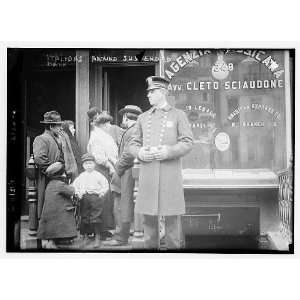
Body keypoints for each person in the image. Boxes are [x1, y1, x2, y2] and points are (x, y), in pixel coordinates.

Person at [129, 76, 194, 249]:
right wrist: (140, 152)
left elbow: (188, 142)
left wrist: (168, 151)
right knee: (149, 224)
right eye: (148, 91)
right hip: (148, 176)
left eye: (152, 91)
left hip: (169, 175)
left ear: (163, 92)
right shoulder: (142, 118)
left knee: (173, 225)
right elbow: (133, 144)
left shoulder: (178, 115)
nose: (148, 95)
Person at [104, 105, 143, 246]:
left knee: (121, 205)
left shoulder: (132, 131)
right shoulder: (134, 130)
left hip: (126, 172)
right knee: (123, 204)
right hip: (129, 171)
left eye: (123, 117)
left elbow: (128, 154)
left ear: (126, 117)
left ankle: (121, 237)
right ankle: (123, 235)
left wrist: (117, 169)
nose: (122, 119)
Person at [87, 111, 119, 238]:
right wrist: (110, 166)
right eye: (107, 124)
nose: (109, 126)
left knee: (107, 200)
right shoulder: (96, 137)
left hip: (107, 169)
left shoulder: (104, 135)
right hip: (101, 169)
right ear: (101, 125)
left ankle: (104, 229)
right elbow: (99, 157)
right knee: (102, 199)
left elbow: (111, 153)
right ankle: (99, 231)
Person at [37, 161, 77, 248]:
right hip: (58, 212)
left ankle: (59, 240)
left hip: (51, 212)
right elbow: (71, 191)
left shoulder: (51, 184)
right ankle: (52, 242)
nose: (65, 174)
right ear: (59, 174)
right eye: (63, 173)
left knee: (54, 226)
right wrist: (72, 185)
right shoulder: (60, 184)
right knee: (62, 221)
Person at [33, 111, 65, 219]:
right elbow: (39, 159)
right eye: (59, 125)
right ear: (51, 126)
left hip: (56, 177)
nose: (61, 128)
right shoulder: (41, 139)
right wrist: (52, 169)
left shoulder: (57, 139)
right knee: (46, 207)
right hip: (47, 178)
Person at [72, 153, 109, 248]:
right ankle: (85, 236)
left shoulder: (98, 175)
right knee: (84, 217)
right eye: (86, 163)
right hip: (84, 199)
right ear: (83, 165)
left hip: (95, 199)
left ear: (94, 164)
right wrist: (78, 193)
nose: (88, 165)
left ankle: (97, 236)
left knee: (95, 217)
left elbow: (105, 185)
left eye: (90, 163)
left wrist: (101, 193)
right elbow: (75, 186)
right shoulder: (81, 176)